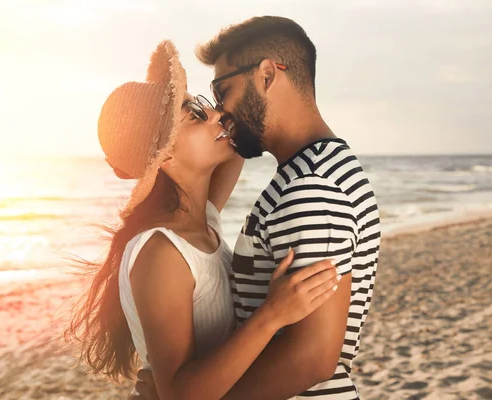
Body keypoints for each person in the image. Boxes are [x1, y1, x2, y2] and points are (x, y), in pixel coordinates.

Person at [65, 39, 341, 400]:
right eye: (195, 115)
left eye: (206, 105)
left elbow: (240, 137)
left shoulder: (201, 219)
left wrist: (250, 90)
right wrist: (271, 315)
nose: (217, 115)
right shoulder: (162, 251)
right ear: (163, 157)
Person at [133, 16, 381, 400]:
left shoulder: (309, 188)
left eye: (222, 90)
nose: (220, 111)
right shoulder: (315, 169)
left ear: (266, 75)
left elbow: (313, 357)